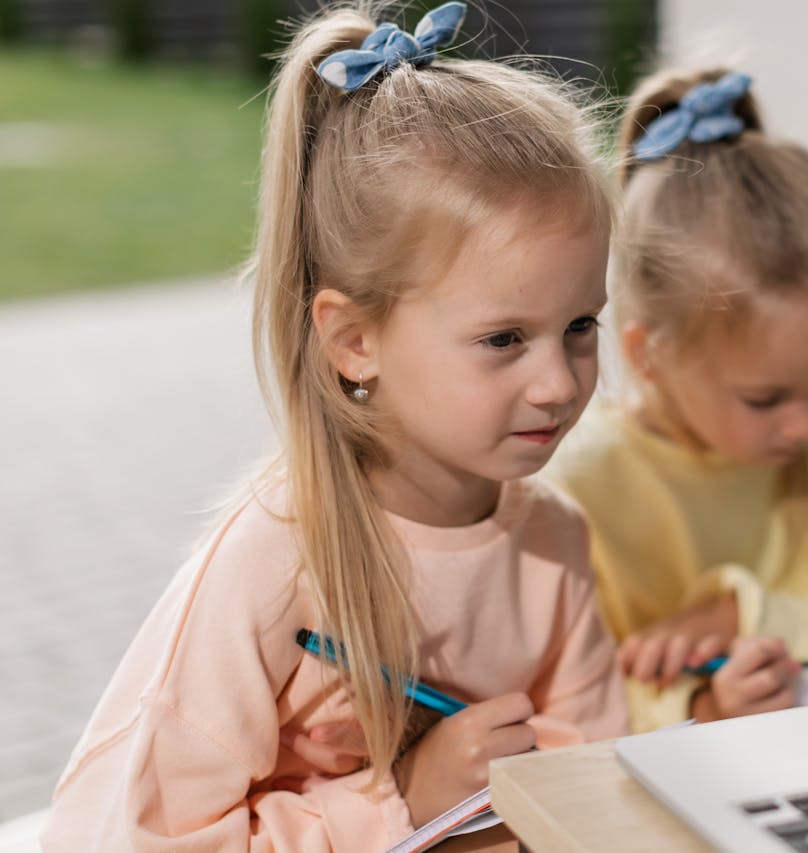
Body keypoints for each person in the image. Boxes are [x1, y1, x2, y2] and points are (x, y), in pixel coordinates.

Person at [42, 4, 626, 849]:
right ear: (355, 342)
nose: (558, 381)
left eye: (581, 325)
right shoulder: (275, 564)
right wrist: (401, 801)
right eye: (504, 339)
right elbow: (143, 835)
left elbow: (593, 785)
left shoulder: (555, 542)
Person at [545, 68, 808, 732]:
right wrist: (699, 705)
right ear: (648, 354)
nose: (807, 421)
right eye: (765, 397)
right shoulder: (580, 488)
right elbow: (566, 695)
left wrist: (736, 611)